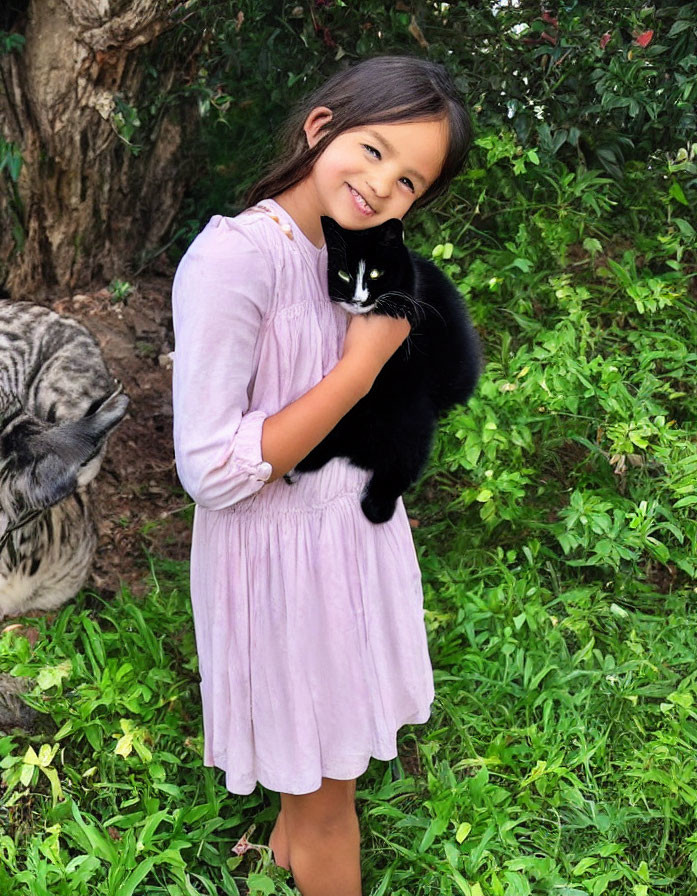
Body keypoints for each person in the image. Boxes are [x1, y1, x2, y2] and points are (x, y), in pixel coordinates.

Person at [171, 55, 471, 896]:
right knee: (332, 800)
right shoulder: (237, 260)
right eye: (374, 152)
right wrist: (358, 370)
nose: (384, 187)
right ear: (320, 128)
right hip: (280, 569)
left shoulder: (356, 254)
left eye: (410, 180)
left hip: (346, 544)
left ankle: (280, 853)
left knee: (316, 771)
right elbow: (211, 468)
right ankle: (307, 849)